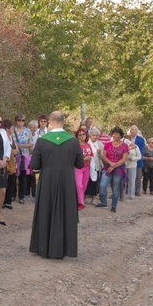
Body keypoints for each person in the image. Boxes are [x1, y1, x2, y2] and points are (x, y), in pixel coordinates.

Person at [29, 111, 84, 259]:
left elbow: (34, 165)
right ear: (63, 122)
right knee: (65, 212)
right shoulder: (73, 141)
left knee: (46, 211)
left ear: (50, 122)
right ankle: (65, 249)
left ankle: (43, 248)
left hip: (47, 180)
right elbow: (80, 163)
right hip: (67, 180)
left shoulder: (42, 140)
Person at [97, 126, 129, 213]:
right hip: (108, 167)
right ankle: (104, 202)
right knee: (103, 186)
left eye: (116, 134)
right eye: (113, 134)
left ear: (120, 135)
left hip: (118, 169)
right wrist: (111, 164)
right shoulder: (108, 144)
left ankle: (114, 206)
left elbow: (124, 159)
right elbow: (103, 156)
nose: (114, 136)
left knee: (115, 188)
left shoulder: (125, 146)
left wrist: (115, 165)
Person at [74, 125, 93, 209]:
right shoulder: (76, 145)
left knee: (84, 185)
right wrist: (84, 159)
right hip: (78, 168)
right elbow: (74, 157)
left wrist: (90, 158)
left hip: (87, 168)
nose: (82, 136)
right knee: (79, 185)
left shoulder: (88, 145)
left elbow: (91, 154)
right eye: (80, 134)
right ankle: (80, 203)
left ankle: (79, 199)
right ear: (77, 136)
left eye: (83, 134)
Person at [2, 119, 18, 210]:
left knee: (12, 181)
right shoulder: (3, 137)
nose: (13, 129)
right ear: (7, 128)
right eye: (12, 128)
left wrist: (14, 151)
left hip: (13, 162)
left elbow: (15, 149)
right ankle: (2, 201)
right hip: (6, 162)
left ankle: (8, 201)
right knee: (5, 183)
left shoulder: (12, 137)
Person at [84, 127, 103, 205]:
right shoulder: (86, 143)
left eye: (96, 135)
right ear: (90, 135)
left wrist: (99, 153)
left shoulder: (100, 144)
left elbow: (103, 156)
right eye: (93, 135)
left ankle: (94, 198)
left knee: (95, 182)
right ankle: (84, 197)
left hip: (96, 165)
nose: (95, 137)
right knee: (86, 181)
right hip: (87, 165)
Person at [129, 125, 146, 195]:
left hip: (138, 160)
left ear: (137, 131)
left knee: (138, 177)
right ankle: (128, 189)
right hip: (128, 160)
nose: (133, 131)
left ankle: (137, 190)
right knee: (129, 176)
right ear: (130, 131)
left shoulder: (141, 139)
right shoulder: (126, 138)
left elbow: (142, 150)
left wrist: (136, 157)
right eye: (132, 130)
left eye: (135, 130)